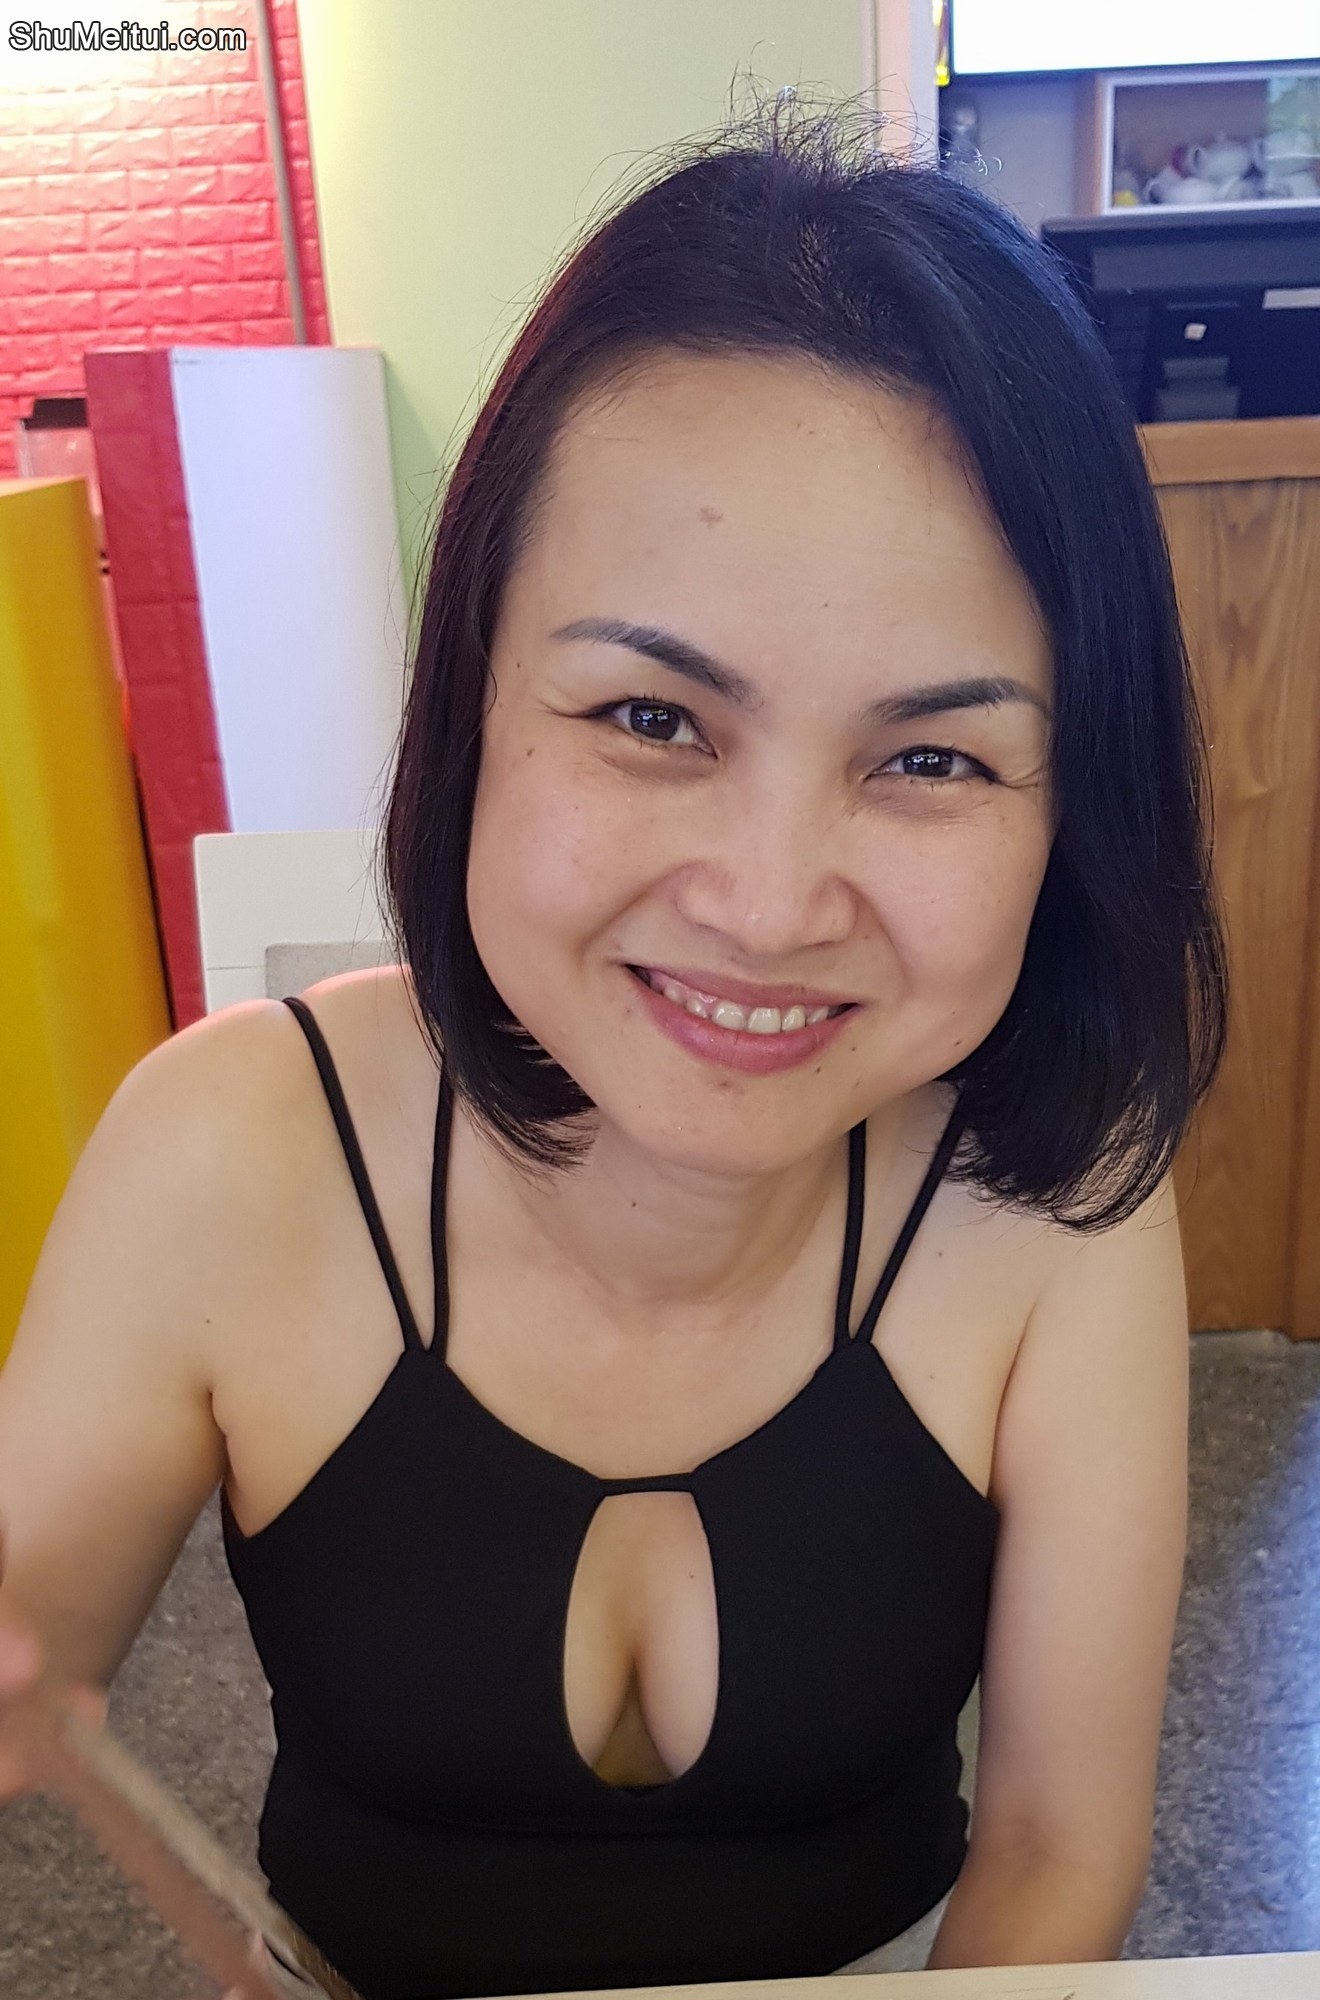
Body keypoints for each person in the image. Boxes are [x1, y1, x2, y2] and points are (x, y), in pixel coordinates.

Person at [0, 103, 1227, 2000]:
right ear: (471, 697)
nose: (768, 903)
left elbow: (1060, 1850)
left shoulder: (1057, 1199)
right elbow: (28, 1679)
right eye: (653, 716)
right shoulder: (223, 1153)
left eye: (931, 757)